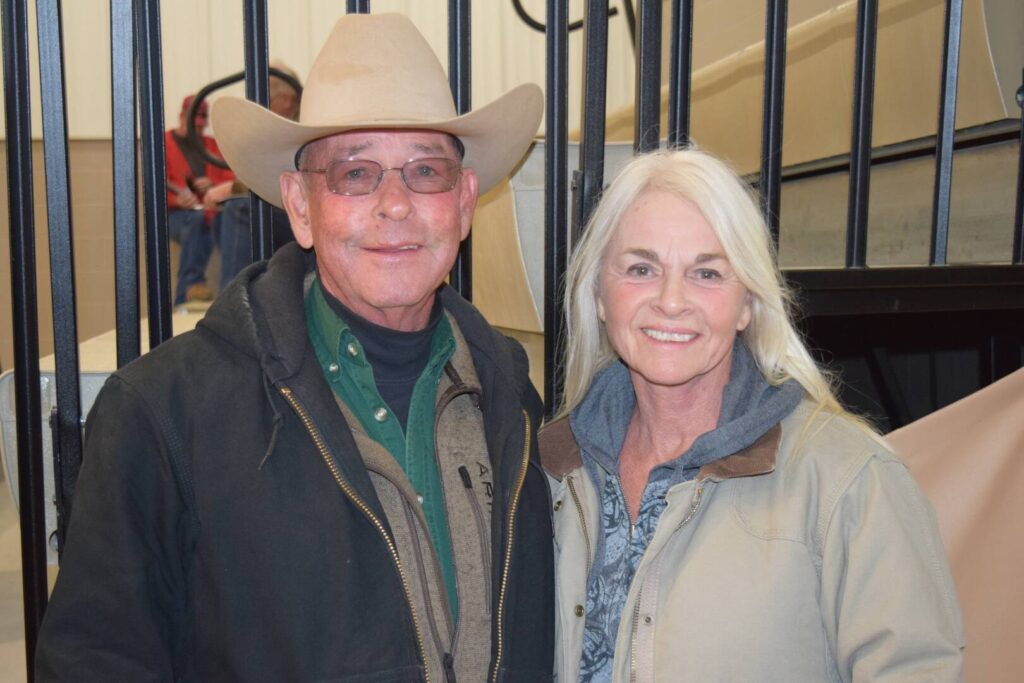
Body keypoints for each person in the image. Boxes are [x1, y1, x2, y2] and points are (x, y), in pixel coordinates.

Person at [35, 13, 553, 682]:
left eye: (425, 170)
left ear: (462, 202)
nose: (395, 204)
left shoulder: (509, 393)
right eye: (356, 173)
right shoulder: (163, 415)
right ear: (300, 206)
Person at [541, 148, 965, 682]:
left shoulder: (848, 480)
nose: (672, 301)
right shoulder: (550, 469)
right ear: (600, 292)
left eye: (707, 273)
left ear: (747, 303)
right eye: (641, 268)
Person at [216, 60, 301, 290]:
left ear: (286, 100)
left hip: (303, 213)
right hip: (287, 208)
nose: (260, 108)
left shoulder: (299, 128)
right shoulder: (274, 129)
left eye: (265, 101)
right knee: (210, 219)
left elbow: (282, 176)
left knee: (240, 208)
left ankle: (232, 299)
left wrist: (233, 188)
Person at [164, 95, 237, 304]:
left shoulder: (213, 146)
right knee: (196, 223)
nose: (196, 130)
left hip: (207, 215)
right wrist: (176, 200)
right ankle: (192, 287)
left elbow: (231, 178)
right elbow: (152, 184)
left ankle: (222, 289)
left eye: (199, 126)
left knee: (221, 225)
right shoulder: (163, 144)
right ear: (181, 117)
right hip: (175, 214)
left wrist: (212, 183)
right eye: (192, 124)